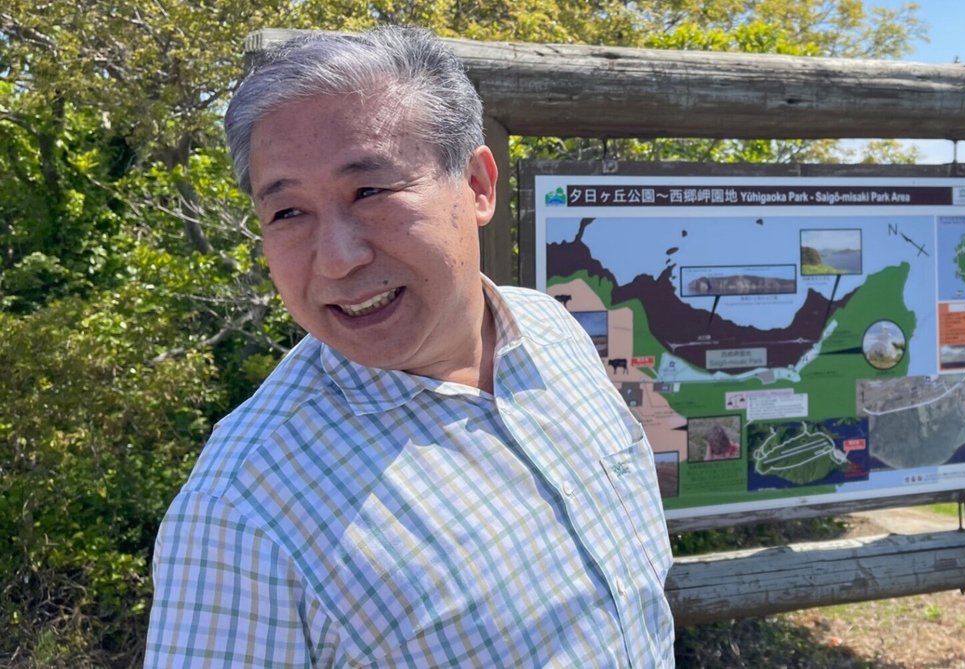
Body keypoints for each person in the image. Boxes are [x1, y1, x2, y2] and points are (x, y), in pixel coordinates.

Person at [146, 27, 674, 667]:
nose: (337, 259)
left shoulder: (551, 328)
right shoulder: (240, 513)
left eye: (369, 192)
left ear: (476, 186)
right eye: (288, 213)